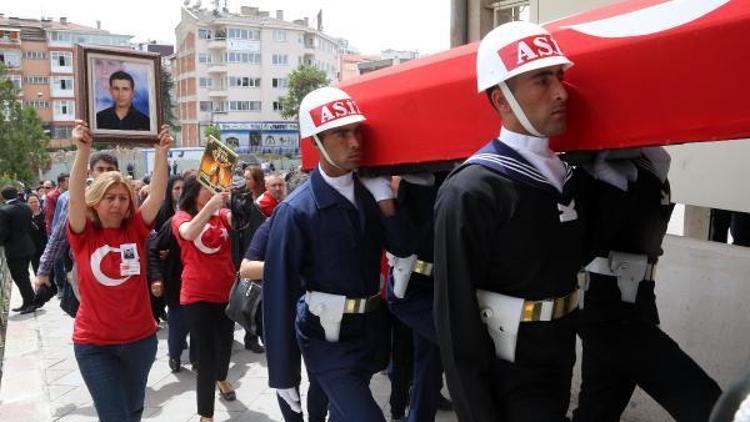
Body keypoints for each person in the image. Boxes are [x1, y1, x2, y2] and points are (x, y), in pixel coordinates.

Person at [434, 21, 586, 422]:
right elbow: (455, 323)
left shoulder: (566, 175)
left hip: (556, 356)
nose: (560, 91)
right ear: (501, 99)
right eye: (541, 80)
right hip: (507, 374)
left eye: (559, 76)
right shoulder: (471, 190)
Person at [263, 86, 409, 422]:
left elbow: (402, 249)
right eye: (341, 133)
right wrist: (284, 374)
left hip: (369, 334)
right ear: (315, 141)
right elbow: (279, 294)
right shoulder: (295, 211)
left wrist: (385, 200)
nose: (355, 142)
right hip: (325, 339)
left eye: (356, 131)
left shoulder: (370, 196)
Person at [572, 149, 722, 422]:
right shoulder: (583, 169)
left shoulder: (651, 160)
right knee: (701, 397)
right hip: (603, 307)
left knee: (599, 410)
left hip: (637, 301)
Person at [66, 120, 170, 421]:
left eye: (122, 198)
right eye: (109, 197)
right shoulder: (83, 233)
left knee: (134, 410)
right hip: (95, 345)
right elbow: (75, 197)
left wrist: (161, 153)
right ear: (95, 202)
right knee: (115, 416)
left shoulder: (136, 229)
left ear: (129, 205)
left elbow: (158, 196)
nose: (116, 203)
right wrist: (83, 152)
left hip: (140, 341)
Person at [172, 176, 237, 421]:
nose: (211, 192)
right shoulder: (182, 217)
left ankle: (222, 377)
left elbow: (236, 221)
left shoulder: (220, 214)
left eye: (213, 189)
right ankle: (206, 415)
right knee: (206, 355)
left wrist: (237, 203)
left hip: (226, 291)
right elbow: (188, 234)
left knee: (226, 343)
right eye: (206, 189)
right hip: (197, 295)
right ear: (193, 192)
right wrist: (212, 206)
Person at [34, 151, 120, 317]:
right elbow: (58, 237)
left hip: (120, 267)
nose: (105, 174)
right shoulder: (77, 200)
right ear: (90, 172)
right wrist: (43, 271)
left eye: (109, 169)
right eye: (100, 169)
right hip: (85, 270)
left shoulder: (124, 198)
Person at [148, 175, 197, 373]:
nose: (180, 192)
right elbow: (153, 246)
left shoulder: (202, 217)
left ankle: (197, 358)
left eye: (184, 189)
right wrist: (157, 276)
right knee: (178, 321)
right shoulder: (169, 220)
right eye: (176, 188)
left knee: (198, 324)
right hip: (176, 280)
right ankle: (175, 355)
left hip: (199, 280)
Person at [230, 166, 267, 353]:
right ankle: (249, 336)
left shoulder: (265, 199)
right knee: (247, 293)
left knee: (258, 295)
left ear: (257, 180)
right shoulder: (242, 199)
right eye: (244, 178)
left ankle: (255, 335)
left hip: (261, 251)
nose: (245, 182)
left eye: (248, 178)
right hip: (245, 250)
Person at [0, 185, 37, 314]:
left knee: (20, 277)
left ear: (3, 196)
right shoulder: (25, 207)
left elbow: (3, 232)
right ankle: (27, 301)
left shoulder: (4, 210)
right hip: (27, 246)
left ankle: (31, 302)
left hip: (14, 249)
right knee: (24, 276)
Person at [27, 193, 47, 274]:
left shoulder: (45, 213)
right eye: (31, 202)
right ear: (27, 204)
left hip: (46, 245)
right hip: (33, 248)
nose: (34, 204)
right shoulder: (26, 216)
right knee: (37, 269)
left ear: (39, 201)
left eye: (35, 201)